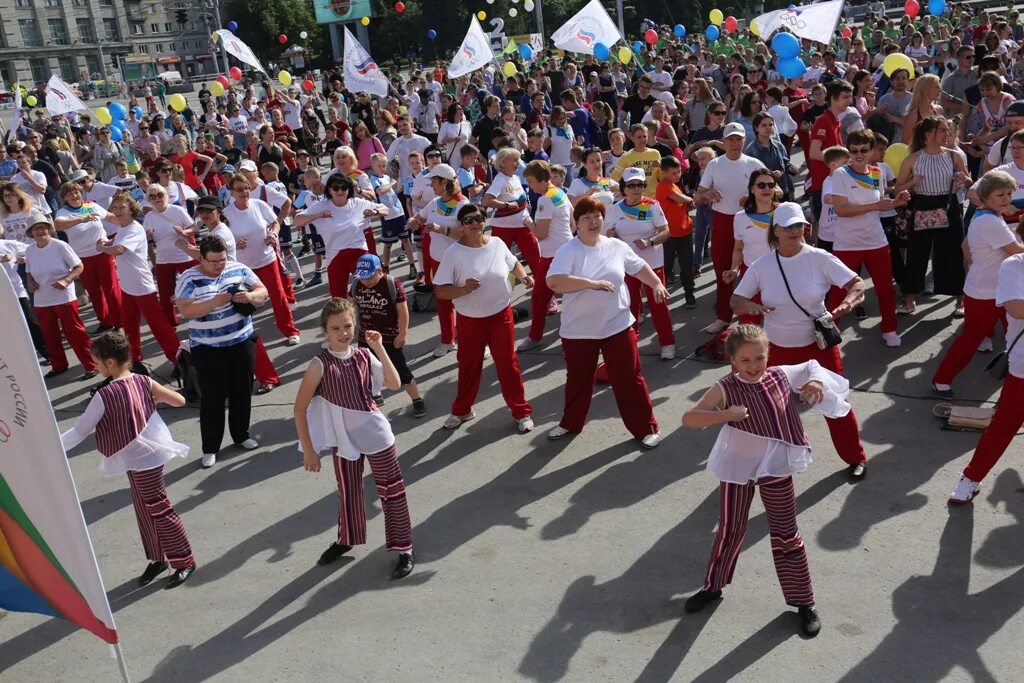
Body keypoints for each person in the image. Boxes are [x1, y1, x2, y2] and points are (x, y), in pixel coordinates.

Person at [681, 324, 850, 637]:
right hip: (738, 466)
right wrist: (726, 415)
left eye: (759, 357)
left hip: (775, 465)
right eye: (745, 360)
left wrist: (813, 380)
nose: (753, 366)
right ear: (732, 360)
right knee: (730, 527)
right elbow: (689, 419)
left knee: (787, 532)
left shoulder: (781, 375)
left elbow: (814, 365)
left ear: (768, 354)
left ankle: (804, 603)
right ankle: (713, 587)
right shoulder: (724, 387)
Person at [730, 201, 870, 478]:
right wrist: (753, 307)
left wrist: (847, 304)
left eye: (799, 226)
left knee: (835, 403)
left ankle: (856, 458)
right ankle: (763, 463)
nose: (796, 231)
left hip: (817, 348)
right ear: (776, 231)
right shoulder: (762, 265)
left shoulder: (819, 258)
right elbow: (736, 301)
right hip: (776, 350)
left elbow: (857, 284)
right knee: (765, 408)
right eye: (789, 227)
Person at [60, 331, 196, 589]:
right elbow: (179, 400)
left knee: (158, 508)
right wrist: (151, 400)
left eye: (97, 362)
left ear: (110, 362)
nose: (95, 366)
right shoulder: (143, 381)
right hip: (146, 456)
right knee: (145, 509)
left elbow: (79, 431)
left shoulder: (105, 395)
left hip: (142, 459)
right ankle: (158, 558)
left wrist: (52, 447)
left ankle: (184, 560)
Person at [293, 298, 415, 579]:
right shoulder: (318, 365)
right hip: (344, 441)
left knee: (392, 491)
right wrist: (308, 451)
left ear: (355, 325)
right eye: (336, 328)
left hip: (376, 435)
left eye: (348, 326)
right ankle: (346, 540)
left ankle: (404, 548)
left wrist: (380, 348)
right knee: (348, 492)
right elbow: (299, 409)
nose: (343, 332)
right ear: (325, 330)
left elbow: (394, 383)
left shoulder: (363, 355)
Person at [545, 196, 665, 448]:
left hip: (617, 325)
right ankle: (571, 423)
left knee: (630, 379)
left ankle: (646, 427)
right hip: (579, 330)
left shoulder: (615, 246)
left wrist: (655, 283)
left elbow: (639, 266)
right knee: (578, 379)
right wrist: (591, 284)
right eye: (586, 217)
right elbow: (554, 282)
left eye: (597, 216)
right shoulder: (568, 250)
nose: (592, 221)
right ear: (576, 223)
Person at [434, 204, 535, 433]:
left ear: (484, 220)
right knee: (469, 366)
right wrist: (463, 289)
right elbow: (441, 291)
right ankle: (462, 410)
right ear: (461, 226)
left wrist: (524, 276)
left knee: (508, 365)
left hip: (501, 315)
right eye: (468, 221)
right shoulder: (453, 253)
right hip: (470, 320)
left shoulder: (498, 244)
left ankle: (521, 412)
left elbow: (514, 263)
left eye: (478, 218)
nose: (474, 224)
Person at [174, 235, 266, 469]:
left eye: (222, 260)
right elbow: (185, 310)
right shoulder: (189, 277)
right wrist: (215, 301)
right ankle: (211, 448)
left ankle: (241, 435)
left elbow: (263, 291)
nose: (219, 266)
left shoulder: (238, 268)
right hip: (208, 349)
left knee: (242, 392)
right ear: (201, 257)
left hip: (241, 342)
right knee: (212, 399)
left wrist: (251, 296)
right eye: (213, 261)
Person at [933, 170, 1024, 398]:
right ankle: (941, 379)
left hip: (993, 288)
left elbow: (966, 247)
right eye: (1000, 195)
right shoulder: (992, 222)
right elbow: (1016, 251)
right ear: (985, 197)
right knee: (971, 339)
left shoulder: (984, 215)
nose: (1006, 199)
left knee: (1012, 335)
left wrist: (981, 266)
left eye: (1008, 194)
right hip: (987, 293)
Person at [826, 129, 911, 347]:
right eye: (854, 150)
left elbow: (880, 202)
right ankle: (829, 333)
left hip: (876, 241)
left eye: (864, 150)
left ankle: (889, 329)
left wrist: (896, 202)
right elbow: (842, 210)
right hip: (847, 244)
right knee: (838, 292)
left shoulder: (876, 172)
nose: (859, 154)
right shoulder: (840, 174)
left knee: (886, 289)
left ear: (873, 150)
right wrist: (875, 205)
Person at [694, 121, 766, 334]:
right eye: (731, 139)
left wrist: (753, 196)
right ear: (723, 142)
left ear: (745, 141)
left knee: (754, 270)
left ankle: (756, 315)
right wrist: (707, 194)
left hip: (751, 221)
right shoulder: (714, 164)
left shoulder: (754, 163)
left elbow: (776, 191)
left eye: (739, 139)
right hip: (723, 222)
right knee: (723, 270)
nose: (735, 143)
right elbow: (697, 196)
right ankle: (724, 316)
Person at [96, 192, 181, 372]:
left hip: (142, 286)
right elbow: (117, 241)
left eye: (122, 207)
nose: (118, 211)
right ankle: (134, 361)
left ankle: (179, 360)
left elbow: (119, 249)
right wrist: (107, 241)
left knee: (159, 327)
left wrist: (102, 247)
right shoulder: (124, 228)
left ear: (131, 209)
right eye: (115, 207)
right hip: (128, 287)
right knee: (129, 327)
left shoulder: (134, 228)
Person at [894, 116, 970, 315]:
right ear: (929, 135)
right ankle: (909, 300)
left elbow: (969, 180)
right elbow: (897, 187)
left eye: (947, 130)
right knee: (917, 253)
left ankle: (960, 301)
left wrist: (964, 178)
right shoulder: (913, 158)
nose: (947, 134)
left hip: (949, 205)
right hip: (923, 204)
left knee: (954, 253)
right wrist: (912, 182)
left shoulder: (954, 155)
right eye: (943, 130)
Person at [606, 167, 676, 359]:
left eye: (640, 185)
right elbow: (607, 234)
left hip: (652, 265)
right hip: (627, 266)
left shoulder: (652, 205)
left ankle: (667, 343)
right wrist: (610, 235)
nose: (637, 189)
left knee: (658, 305)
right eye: (632, 185)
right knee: (630, 305)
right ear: (624, 188)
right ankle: (631, 343)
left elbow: (666, 231)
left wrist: (649, 241)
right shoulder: (614, 209)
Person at [223, 173, 301, 344]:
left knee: (278, 296)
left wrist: (273, 234)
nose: (243, 193)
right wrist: (235, 244)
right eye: (239, 190)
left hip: (266, 259)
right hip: (243, 266)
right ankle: (243, 337)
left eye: (246, 188)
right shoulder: (226, 214)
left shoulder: (259, 205)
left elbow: (275, 223)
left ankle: (290, 331)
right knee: (242, 301)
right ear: (231, 192)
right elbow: (222, 238)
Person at [350, 254, 426, 417]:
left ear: (380, 271)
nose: (366, 282)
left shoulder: (392, 284)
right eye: (362, 278)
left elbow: (403, 311)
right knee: (366, 369)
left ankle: (417, 399)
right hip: (366, 337)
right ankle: (376, 395)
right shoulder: (356, 284)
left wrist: (403, 333)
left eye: (369, 277)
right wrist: (351, 329)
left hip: (389, 337)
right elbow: (349, 306)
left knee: (401, 369)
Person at [24, 211, 97, 380]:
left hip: (63, 295)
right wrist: (30, 282)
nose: (40, 231)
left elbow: (79, 266)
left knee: (75, 333)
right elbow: (29, 272)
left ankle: (90, 364)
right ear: (31, 233)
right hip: (42, 298)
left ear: (49, 229)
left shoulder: (59, 246)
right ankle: (59, 365)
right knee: (50, 334)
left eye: (43, 227)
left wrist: (66, 280)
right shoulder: (30, 250)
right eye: (36, 229)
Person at [406, 164, 469, 357]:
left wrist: (442, 229)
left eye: (434, 180)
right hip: (437, 261)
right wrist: (414, 221)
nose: (431, 184)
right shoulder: (434, 202)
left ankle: (477, 342)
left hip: (460, 262)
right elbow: (420, 217)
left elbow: (469, 234)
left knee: (467, 303)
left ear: (445, 182)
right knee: (443, 303)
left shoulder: (463, 205)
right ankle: (448, 340)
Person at [294, 173, 387, 299]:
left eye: (344, 188)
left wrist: (375, 212)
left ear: (349, 190)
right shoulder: (322, 205)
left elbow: (386, 209)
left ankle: (370, 313)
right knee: (338, 296)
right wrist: (319, 215)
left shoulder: (357, 203)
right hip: (335, 254)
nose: (340, 191)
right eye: (336, 188)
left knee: (370, 288)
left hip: (359, 252)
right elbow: (297, 220)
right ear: (329, 190)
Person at [53, 181, 123, 334]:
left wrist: (129, 224)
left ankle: (119, 321)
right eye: (69, 194)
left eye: (76, 192)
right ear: (65, 198)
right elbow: (58, 225)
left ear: (81, 193)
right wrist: (81, 219)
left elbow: (111, 217)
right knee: (94, 291)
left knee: (110, 288)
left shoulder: (90, 205)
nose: (74, 195)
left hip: (103, 253)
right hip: (82, 259)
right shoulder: (63, 212)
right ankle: (105, 322)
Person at [518, 160, 574, 351]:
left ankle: (535, 337)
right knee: (574, 294)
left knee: (539, 297)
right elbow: (573, 224)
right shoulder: (560, 193)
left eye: (532, 182)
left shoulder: (544, 200)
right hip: (567, 250)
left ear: (542, 179)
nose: (530, 186)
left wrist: (527, 221)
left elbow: (540, 234)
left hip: (552, 257)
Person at [655, 155, 696, 306]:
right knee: (666, 266)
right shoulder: (664, 186)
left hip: (684, 231)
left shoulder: (674, 184)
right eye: (674, 172)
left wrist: (688, 203)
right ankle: (658, 295)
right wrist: (690, 199)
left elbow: (682, 204)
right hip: (670, 235)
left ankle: (689, 294)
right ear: (664, 173)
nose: (678, 175)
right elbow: (682, 199)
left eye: (679, 171)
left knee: (686, 265)